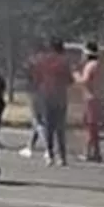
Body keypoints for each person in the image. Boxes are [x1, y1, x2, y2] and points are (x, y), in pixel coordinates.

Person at [30, 38, 73, 166]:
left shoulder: (42, 61)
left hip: (45, 95)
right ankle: (62, 157)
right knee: (60, 127)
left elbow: (36, 79)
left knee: (48, 125)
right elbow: (70, 80)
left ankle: (50, 154)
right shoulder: (64, 62)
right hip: (60, 97)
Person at [75, 41, 104, 163]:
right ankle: (96, 153)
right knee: (93, 127)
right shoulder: (99, 65)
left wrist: (76, 76)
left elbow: (85, 81)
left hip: (90, 98)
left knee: (90, 127)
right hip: (98, 98)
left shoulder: (90, 66)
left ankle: (88, 153)